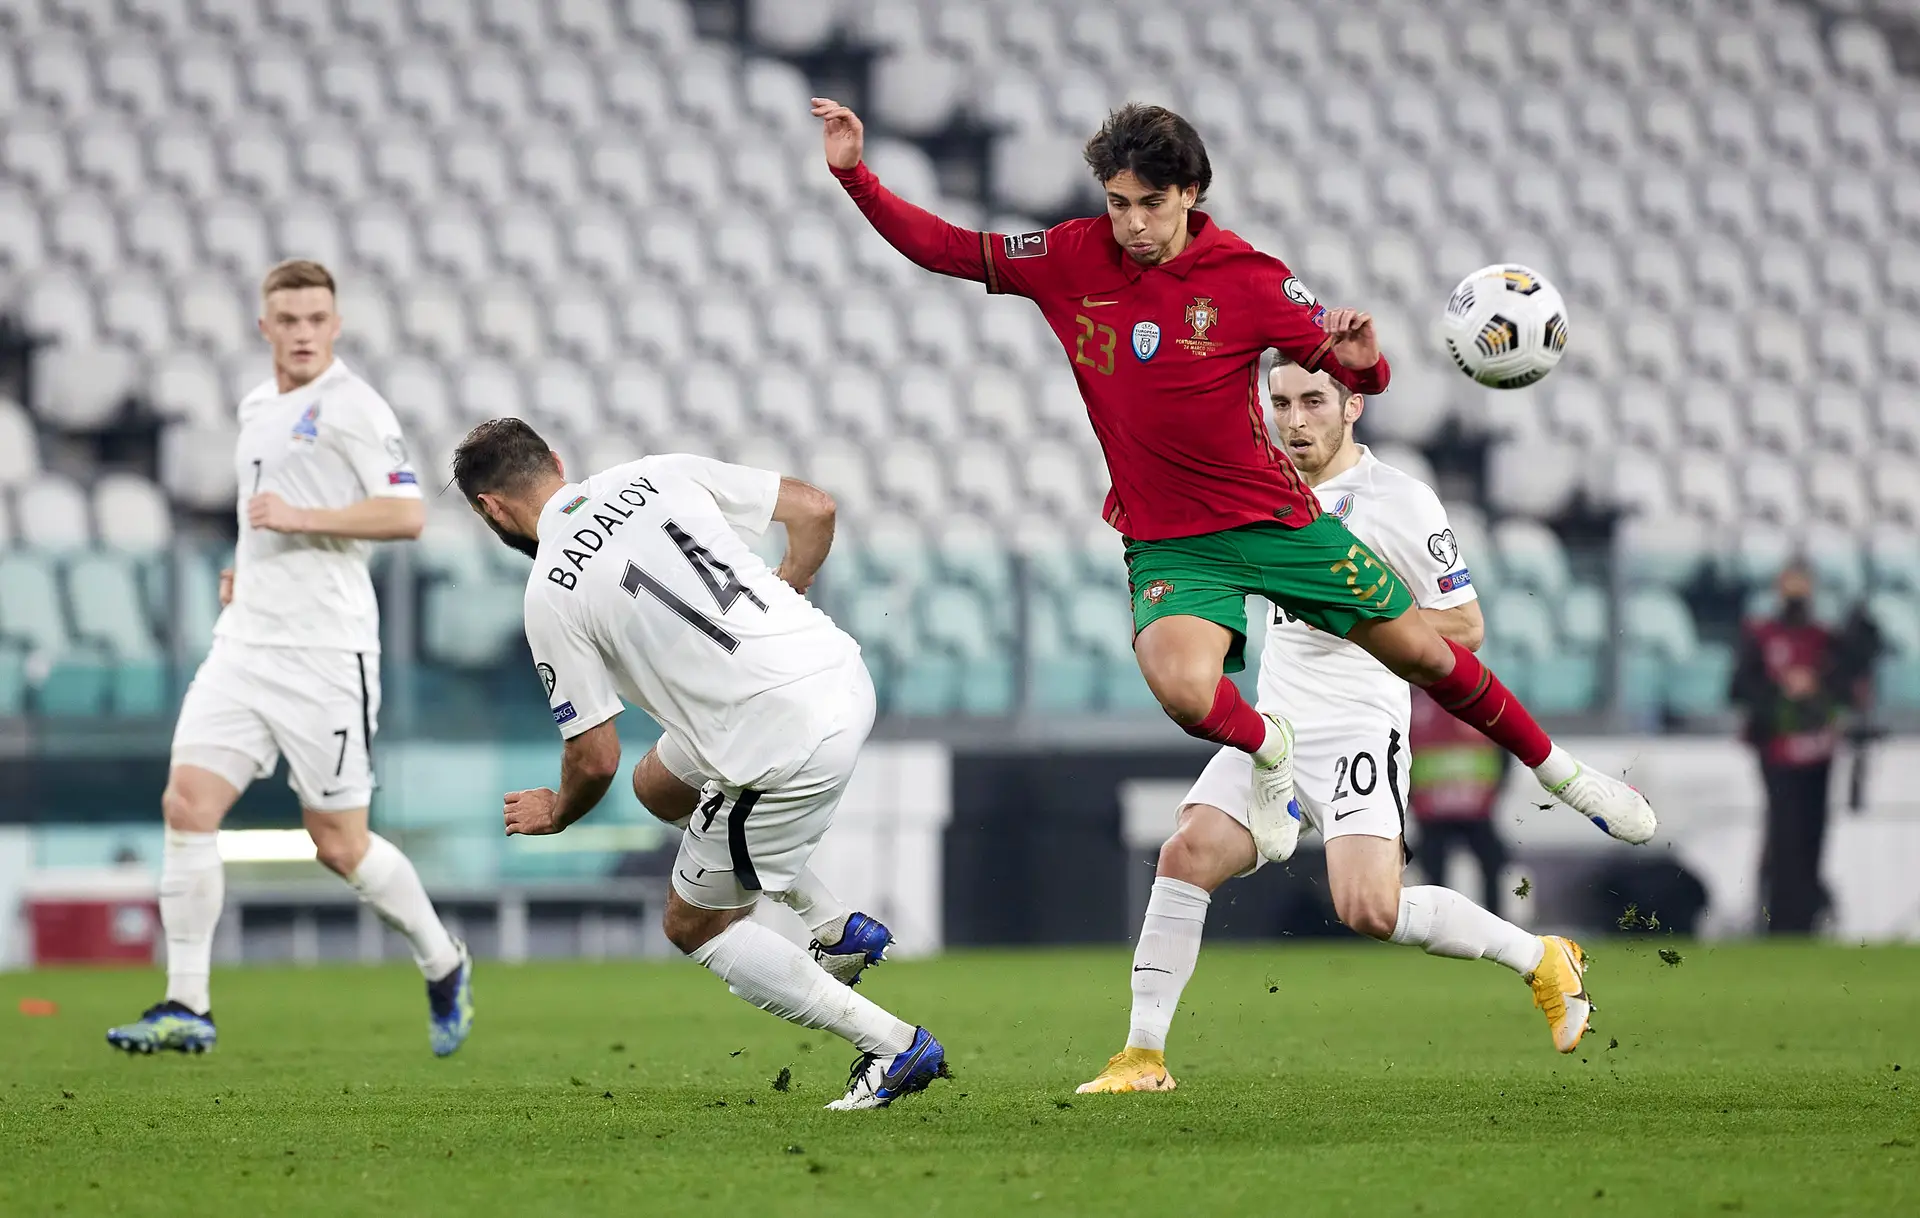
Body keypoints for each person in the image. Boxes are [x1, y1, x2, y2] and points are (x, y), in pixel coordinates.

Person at [814, 98, 1655, 860]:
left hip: (1276, 521)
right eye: (1118, 203)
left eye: (1150, 203)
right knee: (1185, 693)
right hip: (1169, 537)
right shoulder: (1071, 257)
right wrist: (857, 175)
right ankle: (1270, 753)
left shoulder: (1248, 279)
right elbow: (948, 249)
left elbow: (1360, 374)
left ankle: (1565, 774)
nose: (1132, 223)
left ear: (1190, 194)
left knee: (1428, 657)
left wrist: (1367, 360)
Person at [1078, 359, 1591, 1094]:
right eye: (1280, 402)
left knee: (1370, 909)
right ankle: (1142, 1057)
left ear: (1352, 406)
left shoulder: (1399, 501)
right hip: (1275, 727)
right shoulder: (1258, 488)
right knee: (1186, 853)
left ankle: (1542, 958)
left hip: (1357, 726)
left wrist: (1354, 617)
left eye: (1312, 402)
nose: (1293, 420)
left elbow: (1467, 627)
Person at [451, 418, 946, 1110]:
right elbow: (816, 509)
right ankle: (835, 926)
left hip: (778, 740)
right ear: (557, 461)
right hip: (836, 669)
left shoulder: (550, 594)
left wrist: (556, 811)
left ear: (491, 510)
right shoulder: (653, 472)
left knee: (696, 924)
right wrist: (791, 582)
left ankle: (893, 1046)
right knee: (658, 787)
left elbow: (592, 757)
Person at [108, 260, 472, 1057]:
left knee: (338, 845)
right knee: (186, 806)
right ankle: (187, 1005)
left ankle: (442, 961)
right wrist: (249, 563)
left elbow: (407, 513)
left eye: (316, 319)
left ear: (335, 326)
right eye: (289, 320)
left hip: (325, 653)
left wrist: (299, 520)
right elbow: (265, 517)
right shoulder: (256, 406)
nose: (303, 333)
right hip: (245, 644)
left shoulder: (354, 407)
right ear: (263, 326)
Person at [1729, 563, 1874, 934]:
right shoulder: (1761, 635)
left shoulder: (1824, 638)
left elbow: (1850, 679)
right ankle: (1778, 917)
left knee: (1813, 830)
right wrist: (1781, 693)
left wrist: (1816, 687)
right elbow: (1741, 688)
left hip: (1818, 751)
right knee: (1783, 831)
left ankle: (1805, 916)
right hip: (1777, 751)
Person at [1407, 687, 1514, 918]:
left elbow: (1503, 754)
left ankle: (1493, 921)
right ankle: (1440, 923)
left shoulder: (1417, 702)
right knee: (1435, 870)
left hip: (1470, 809)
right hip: (1435, 812)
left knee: (1490, 864)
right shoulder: (1476, 697)